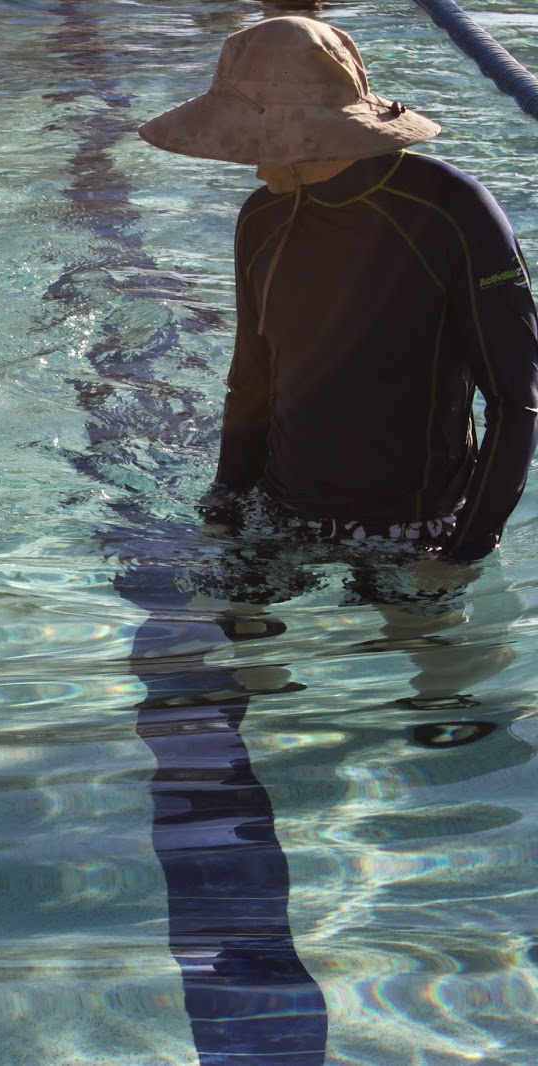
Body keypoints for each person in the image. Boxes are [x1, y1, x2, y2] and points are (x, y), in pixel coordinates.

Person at [137, 15, 538, 714]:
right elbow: (251, 379)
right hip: (282, 510)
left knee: (446, 691)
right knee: (236, 668)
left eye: (258, 143)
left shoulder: (450, 211)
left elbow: (516, 398)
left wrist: (465, 550)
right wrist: (224, 505)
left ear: (305, 138)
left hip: (416, 527)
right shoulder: (263, 218)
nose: (251, 164)